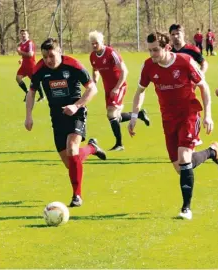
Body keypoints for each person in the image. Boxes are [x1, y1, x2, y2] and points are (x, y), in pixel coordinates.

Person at [128, 32, 218, 220]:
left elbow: (204, 87)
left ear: (167, 48)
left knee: (183, 157)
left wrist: (208, 116)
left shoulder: (185, 62)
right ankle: (212, 152)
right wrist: (133, 116)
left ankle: (186, 208)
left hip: (189, 114)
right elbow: (140, 91)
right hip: (168, 119)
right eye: (150, 50)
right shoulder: (148, 66)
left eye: (156, 50)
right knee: (181, 168)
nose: (152, 54)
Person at [24, 38, 107, 207]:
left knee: (72, 148)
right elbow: (31, 92)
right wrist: (28, 116)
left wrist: (76, 106)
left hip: (76, 112)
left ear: (60, 52)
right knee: (70, 163)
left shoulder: (73, 65)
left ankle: (77, 196)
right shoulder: (39, 68)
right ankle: (92, 148)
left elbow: (93, 88)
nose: (48, 60)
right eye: (45, 56)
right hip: (56, 116)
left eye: (52, 56)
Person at [88, 30, 150, 151]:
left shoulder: (111, 53)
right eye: (92, 43)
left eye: (96, 43)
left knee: (111, 113)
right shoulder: (93, 56)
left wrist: (116, 88)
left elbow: (124, 71)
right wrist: (94, 82)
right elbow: (95, 70)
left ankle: (119, 144)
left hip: (119, 86)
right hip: (108, 88)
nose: (94, 45)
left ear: (102, 41)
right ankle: (139, 115)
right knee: (115, 117)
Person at [169, 24, 208, 146]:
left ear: (183, 34)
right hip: (174, 88)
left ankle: (194, 135)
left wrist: (200, 76)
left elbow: (204, 63)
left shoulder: (191, 49)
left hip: (190, 86)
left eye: (178, 33)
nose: (175, 36)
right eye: (173, 34)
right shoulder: (169, 51)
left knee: (190, 108)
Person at [16, 29, 44, 102]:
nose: (23, 35)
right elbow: (24, 55)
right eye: (21, 34)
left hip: (31, 66)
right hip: (24, 66)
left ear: (28, 34)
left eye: (24, 34)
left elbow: (30, 54)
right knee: (18, 78)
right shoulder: (22, 44)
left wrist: (19, 52)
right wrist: (21, 59)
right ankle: (27, 92)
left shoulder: (30, 43)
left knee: (35, 81)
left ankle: (42, 96)